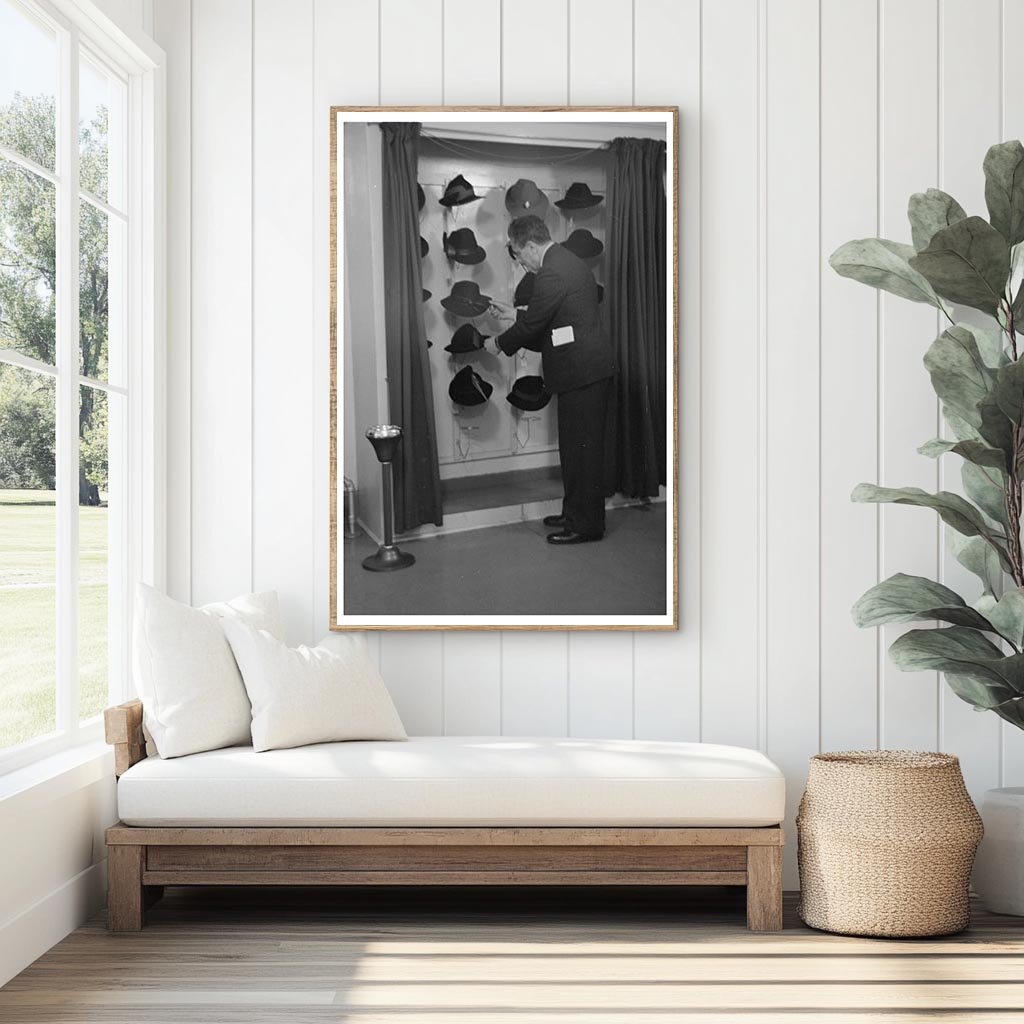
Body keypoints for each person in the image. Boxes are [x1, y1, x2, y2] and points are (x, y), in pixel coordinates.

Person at [488, 215, 616, 545]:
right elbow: (554, 314)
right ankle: (575, 513)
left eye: (519, 256)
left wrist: (498, 342)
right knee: (576, 452)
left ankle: (586, 525)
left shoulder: (551, 271)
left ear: (531, 246)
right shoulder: (563, 262)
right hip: (583, 372)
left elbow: (535, 325)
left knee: (582, 454)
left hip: (582, 374)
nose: (522, 264)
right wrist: (514, 314)